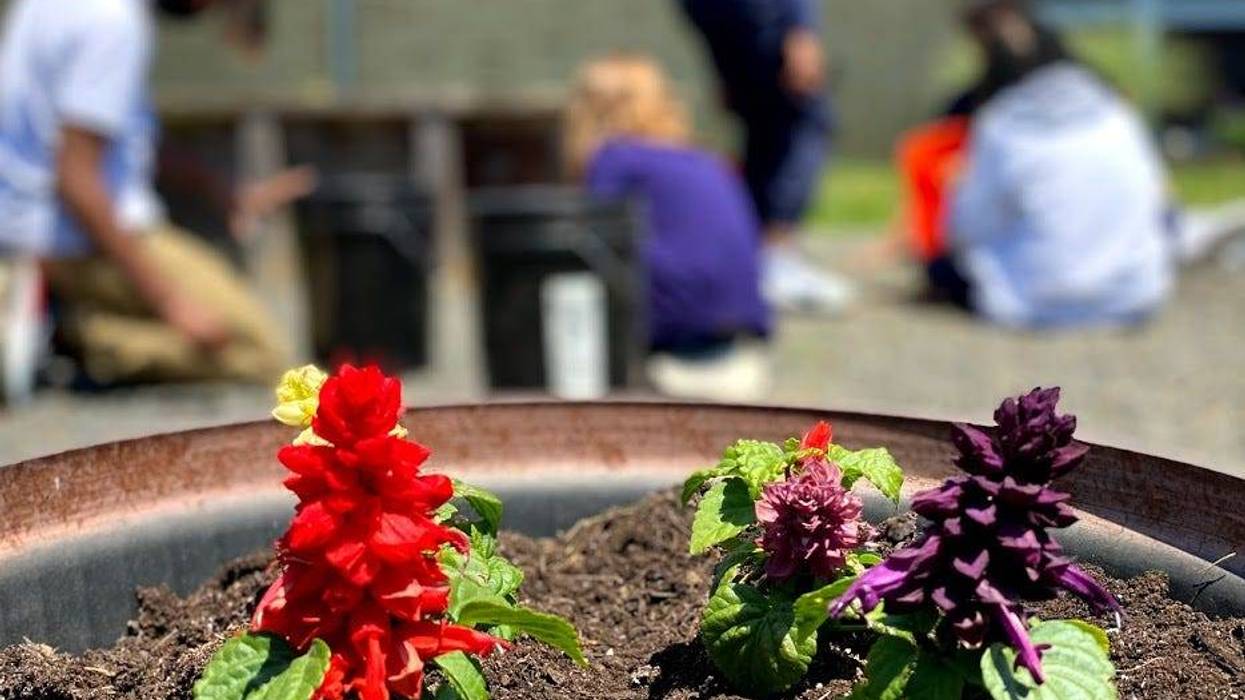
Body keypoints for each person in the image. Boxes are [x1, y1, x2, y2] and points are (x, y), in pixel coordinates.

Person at [0, 0, 292, 389]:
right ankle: (86, 341)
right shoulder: (112, 21)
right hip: (81, 242)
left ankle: (61, 327)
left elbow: (113, 141)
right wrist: (171, 302)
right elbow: (75, 178)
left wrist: (214, 185)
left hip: (32, 232)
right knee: (264, 354)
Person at [936, 0, 1174, 327]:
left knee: (945, 265)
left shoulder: (998, 124)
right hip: (1134, 294)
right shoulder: (1117, 113)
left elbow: (967, 229)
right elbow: (1161, 202)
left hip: (1032, 301)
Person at [565, 54, 772, 401]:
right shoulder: (705, 160)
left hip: (674, 353)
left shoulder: (614, 158)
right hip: (745, 348)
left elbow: (590, 242)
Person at [678, 0, 854, 314]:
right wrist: (799, 29)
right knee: (803, 119)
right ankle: (776, 253)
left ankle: (752, 253)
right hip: (765, 13)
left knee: (762, 124)